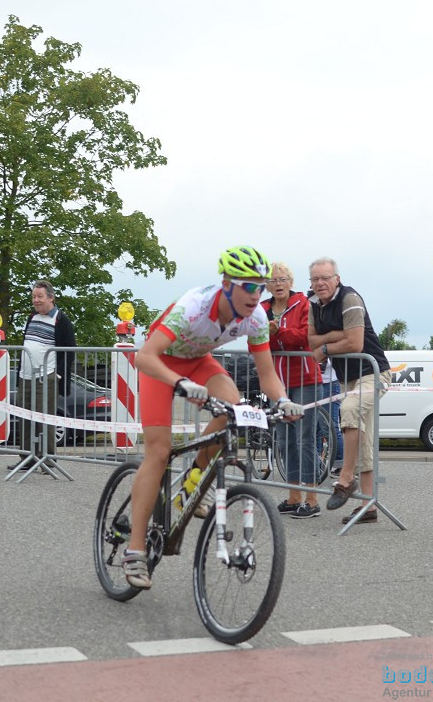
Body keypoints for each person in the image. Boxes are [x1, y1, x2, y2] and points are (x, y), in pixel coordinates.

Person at [122, 246, 302, 589]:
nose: (256, 294)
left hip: (198, 361)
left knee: (234, 407)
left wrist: (285, 401)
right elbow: (144, 357)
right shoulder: (193, 307)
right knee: (158, 453)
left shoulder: (257, 319)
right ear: (226, 283)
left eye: (261, 286)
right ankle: (134, 551)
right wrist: (180, 383)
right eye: (248, 286)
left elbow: (267, 375)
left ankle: (194, 480)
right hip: (162, 366)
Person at [307, 257, 391, 523]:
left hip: (374, 372)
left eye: (325, 278)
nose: (320, 284)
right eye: (315, 279)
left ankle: (345, 479)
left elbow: (354, 343)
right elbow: (311, 344)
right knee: (363, 438)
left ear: (337, 279)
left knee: (349, 409)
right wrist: (333, 337)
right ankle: (369, 507)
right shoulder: (313, 304)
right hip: (347, 379)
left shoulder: (350, 299)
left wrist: (326, 345)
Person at [262, 262, 324, 519]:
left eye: (282, 279)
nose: (278, 284)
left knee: (305, 438)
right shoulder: (262, 309)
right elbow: (255, 339)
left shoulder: (304, 305)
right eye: (273, 280)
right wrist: (271, 335)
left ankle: (311, 498)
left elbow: (303, 338)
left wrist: (279, 332)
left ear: (291, 282)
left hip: (305, 379)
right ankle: (293, 495)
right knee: (285, 439)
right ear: (267, 285)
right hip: (279, 382)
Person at [12, 280, 76, 469]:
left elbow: (69, 351)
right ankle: (26, 458)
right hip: (26, 376)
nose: (36, 300)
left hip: (46, 376)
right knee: (23, 417)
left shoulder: (61, 320)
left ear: (51, 297)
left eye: (40, 296)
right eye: (33, 297)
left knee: (45, 418)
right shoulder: (32, 317)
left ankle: (47, 460)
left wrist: (59, 376)